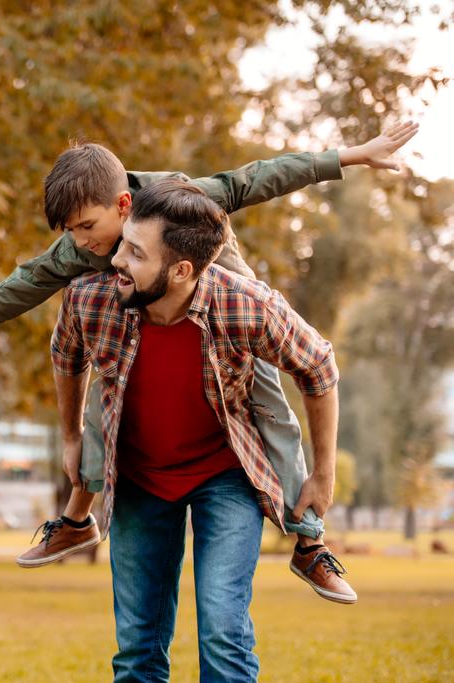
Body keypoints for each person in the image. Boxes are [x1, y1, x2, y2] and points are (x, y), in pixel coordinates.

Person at [0, 122, 417, 601]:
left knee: (271, 412)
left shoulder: (180, 200)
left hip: (231, 327)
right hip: (141, 327)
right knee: (104, 399)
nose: (83, 242)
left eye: (87, 226)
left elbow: (259, 178)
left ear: (124, 204)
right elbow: (24, 283)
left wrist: (350, 157)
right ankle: (75, 521)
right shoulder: (78, 248)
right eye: (71, 231)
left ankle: (310, 543)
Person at [53, 179, 341, 680]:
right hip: (140, 478)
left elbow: (318, 368)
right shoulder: (91, 300)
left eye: (136, 254)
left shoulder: (245, 304)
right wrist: (72, 435)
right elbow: (66, 355)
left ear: (182, 269)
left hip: (225, 478)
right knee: (137, 648)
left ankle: (310, 547)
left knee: (223, 634)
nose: (118, 261)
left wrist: (324, 472)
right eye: (123, 245)